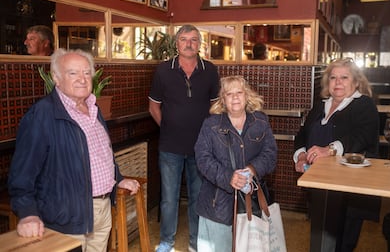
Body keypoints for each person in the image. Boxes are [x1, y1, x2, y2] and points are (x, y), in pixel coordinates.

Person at [8, 48, 140, 252]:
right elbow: (22, 174)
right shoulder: (42, 115)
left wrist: (118, 178)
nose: (82, 79)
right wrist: (27, 213)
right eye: (73, 73)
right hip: (66, 216)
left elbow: (100, 154)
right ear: (56, 78)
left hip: (102, 209)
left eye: (87, 73)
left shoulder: (93, 109)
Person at [293, 58, 380, 252]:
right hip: (319, 184)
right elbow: (302, 135)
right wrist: (300, 155)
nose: (337, 82)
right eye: (333, 77)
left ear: (356, 82)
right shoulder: (319, 106)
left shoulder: (364, 105)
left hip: (349, 187)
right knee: (320, 240)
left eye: (344, 77)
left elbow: (362, 137)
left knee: (342, 244)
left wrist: (330, 150)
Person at [148, 24, 220, 252]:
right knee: (169, 199)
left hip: (201, 149)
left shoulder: (210, 70)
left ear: (200, 44)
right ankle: (167, 242)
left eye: (194, 40)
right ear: (177, 43)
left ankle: (195, 242)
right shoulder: (163, 70)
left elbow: (216, 106)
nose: (189, 44)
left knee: (199, 198)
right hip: (170, 147)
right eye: (184, 39)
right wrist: (168, 127)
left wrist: (207, 136)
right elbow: (153, 107)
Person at [194, 75, 277, 252]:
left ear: (247, 95)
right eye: (229, 94)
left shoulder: (261, 122)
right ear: (223, 100)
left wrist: (253, 169)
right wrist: (228, 177)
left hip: (252, 203)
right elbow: (202, 158)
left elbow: (270, 154)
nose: (235, 97)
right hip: (217, 206)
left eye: (239, 92)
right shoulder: (210, 125)